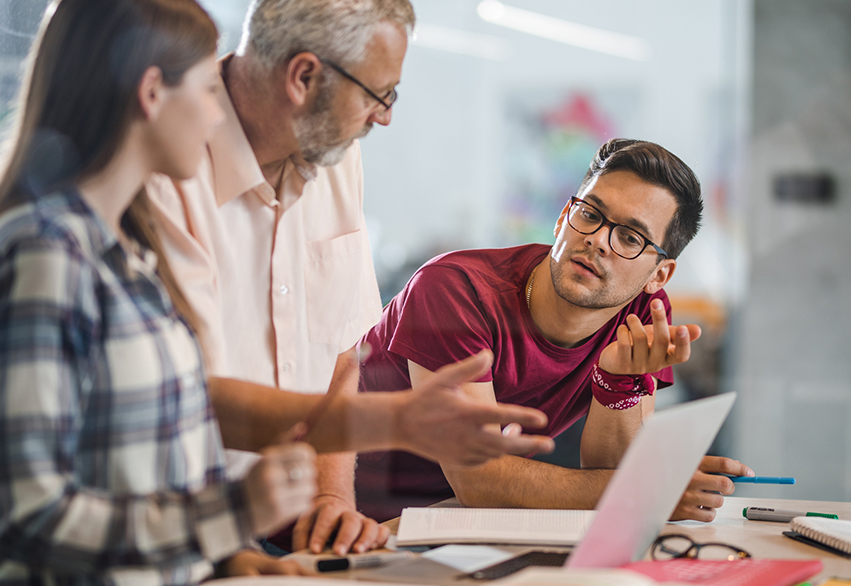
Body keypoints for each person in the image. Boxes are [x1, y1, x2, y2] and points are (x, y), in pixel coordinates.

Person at [0, 0, 552, 581]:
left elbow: (154, 449)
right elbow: (33, 513)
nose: (219, 114)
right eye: (206, 87)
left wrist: (233, 557)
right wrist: (232, 519)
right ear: (153, 94)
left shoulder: (123, 257)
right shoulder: (50, 253)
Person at [357, 139, 755, 521]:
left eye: (630, 238)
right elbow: (479, 479)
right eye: (590, 214)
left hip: (467, 525)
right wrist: (649, 491)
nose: (598, 240)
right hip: (352, 521)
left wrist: (617, 380)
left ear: (659, 275)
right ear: (564, 217)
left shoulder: (642, 315)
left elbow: (613, 470)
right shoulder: (455, 289)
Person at [146, 0, 418, 555]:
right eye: (377, 95)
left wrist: (332, 501)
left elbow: (344, 353)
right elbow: (182, 401)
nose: (384, 117)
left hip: (287, 525)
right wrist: (398, 420)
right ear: (303, 77)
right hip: (187, 529)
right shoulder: (163, 162)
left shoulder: (335, 152)